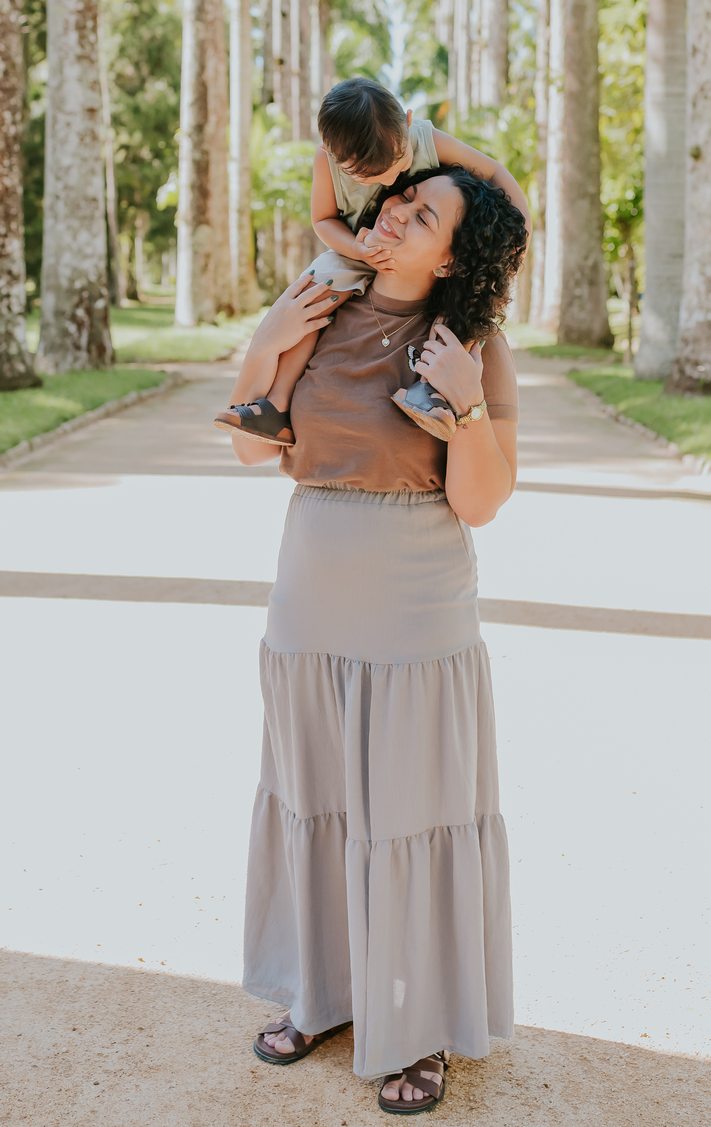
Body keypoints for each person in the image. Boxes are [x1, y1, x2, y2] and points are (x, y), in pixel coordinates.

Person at [228, 166, 527, 1113]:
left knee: (412, 816)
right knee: (312, 799)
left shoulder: (472, 341)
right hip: (309, 598)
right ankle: (320, 994)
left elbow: (480, 500)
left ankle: (421, 1027)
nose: (397, 214)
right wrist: (265, 342)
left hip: (418, 611)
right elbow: (251, 445)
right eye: (399, 200)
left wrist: (467, 402)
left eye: (425, 212)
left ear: (453, 257)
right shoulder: (317, 301)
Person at [215, 77, 530, 445]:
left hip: (411, 255)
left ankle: (432, 392)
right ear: (333, 156)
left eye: (400, 169)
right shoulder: (326, 165)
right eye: (370, 178)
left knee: (458, 300)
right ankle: (277, 405)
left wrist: (517, 232)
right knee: (313, 302)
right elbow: (323, 220)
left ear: (409, 122)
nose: (391, 182)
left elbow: (494, 173)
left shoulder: (427, 139)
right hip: (357, 247)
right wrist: (356, 250)